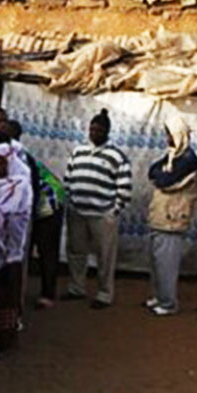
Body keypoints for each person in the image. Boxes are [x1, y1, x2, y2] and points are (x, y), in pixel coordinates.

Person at [64, 109, 132, 309]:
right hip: (77, 212)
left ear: (107, 132)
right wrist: (70, 200)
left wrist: (114, 211)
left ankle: (104, 294)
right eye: (91, 129)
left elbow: (125, 188)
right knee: (76, 252)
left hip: (103, 215)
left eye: (98, 130)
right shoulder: (78, 151)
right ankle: (76, 288)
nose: (94, 133)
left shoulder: (117, 156)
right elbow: (68, 178)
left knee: (105, 256)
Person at [144, 112, 197, 316]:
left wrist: (162, 175)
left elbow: (164, 181)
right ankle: (159, 297)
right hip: (160, 218)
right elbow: (153, 171)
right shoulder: (173, 156)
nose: (167, 138)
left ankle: (168, 303)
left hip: (172, 220)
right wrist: (161, 174)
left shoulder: (188, 160)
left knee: (167, 265)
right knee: (156, 262)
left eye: (170, 134)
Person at [0, 143, 33, 352]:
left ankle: (6, 339)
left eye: (2, 163)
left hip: (11, 253)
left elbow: (19, 216)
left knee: (8, 296)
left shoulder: (20, 186)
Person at [18, 122, 66, 310]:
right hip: (36, 204)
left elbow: (34, 192)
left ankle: (48, 294)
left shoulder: (22, 160)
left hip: (49, 204)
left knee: (46, 250)